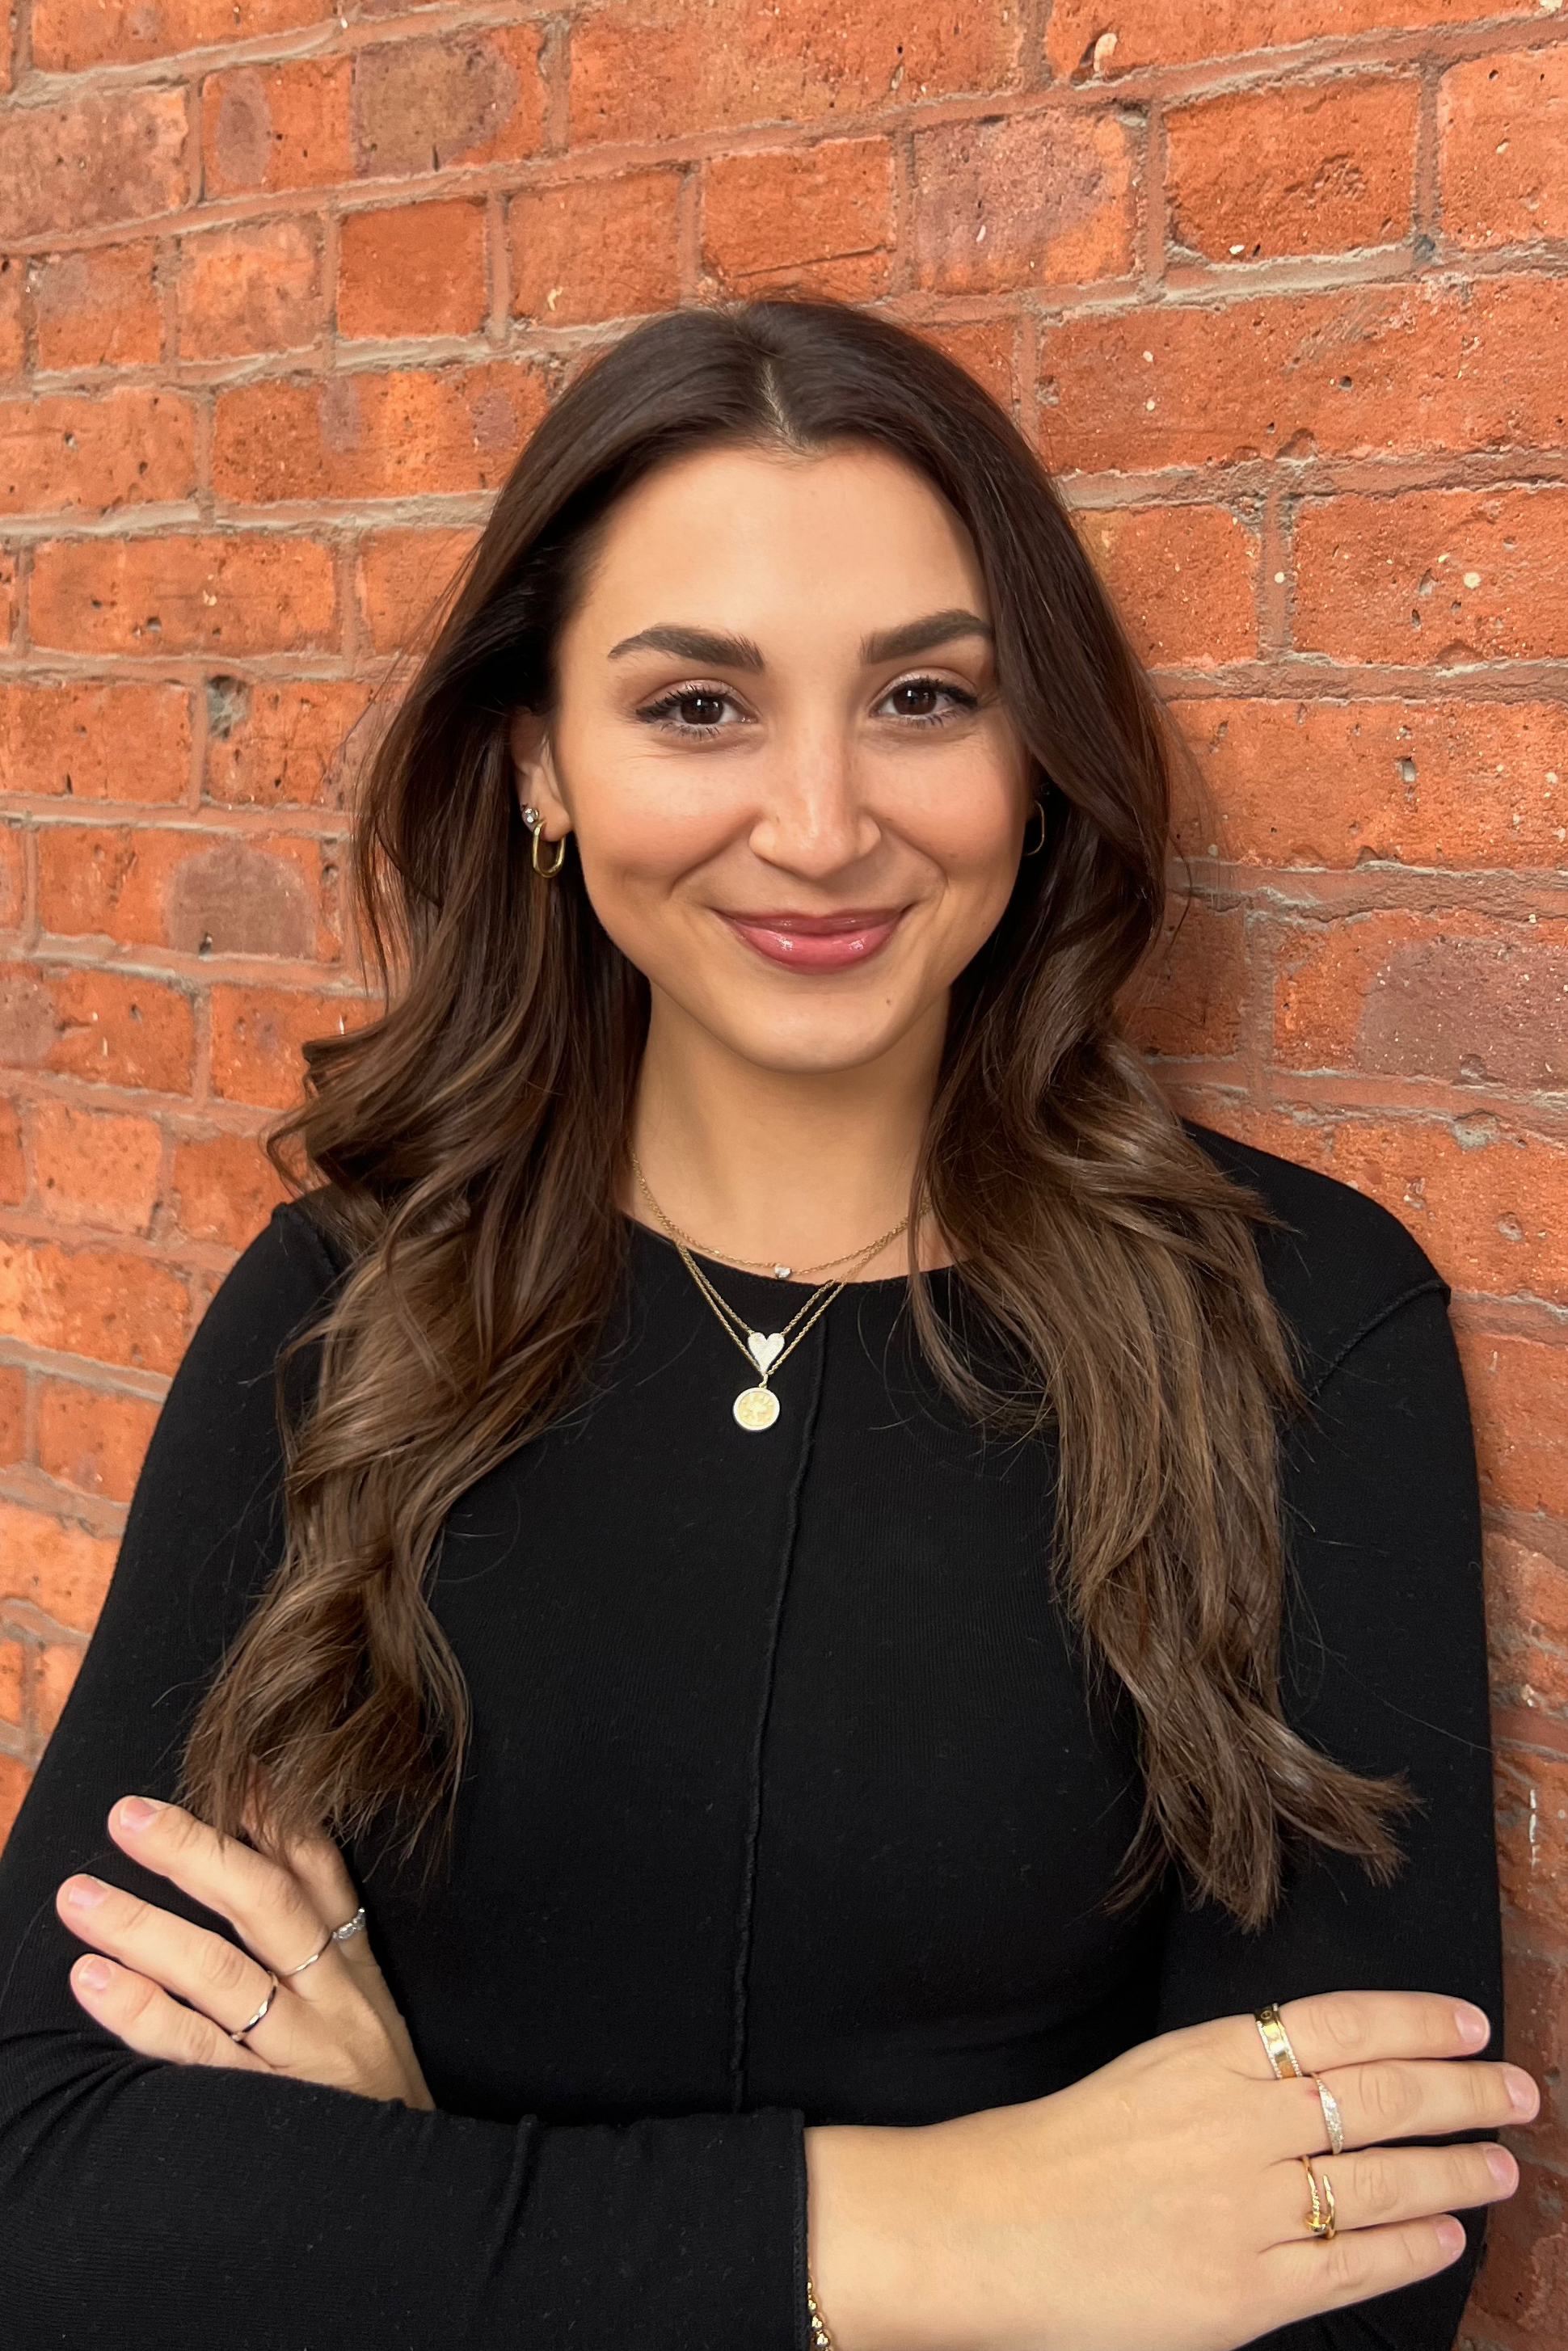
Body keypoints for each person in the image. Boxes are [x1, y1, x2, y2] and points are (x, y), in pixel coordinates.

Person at [0, 296, 1531, 2351]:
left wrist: (418, 2195)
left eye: (919, 697)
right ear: (538, 760)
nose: (818, 826)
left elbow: (1345, 2279)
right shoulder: (339, 1313)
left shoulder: (1295, 1331)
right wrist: (941, 2234)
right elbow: (48, 2188)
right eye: (696, 710)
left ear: (1035, 754)